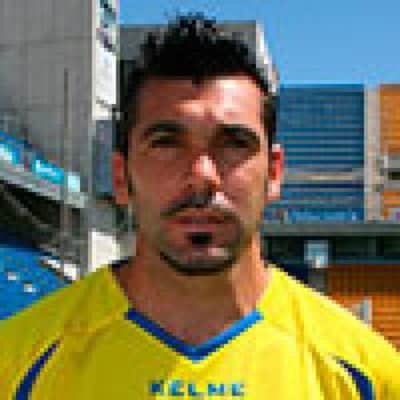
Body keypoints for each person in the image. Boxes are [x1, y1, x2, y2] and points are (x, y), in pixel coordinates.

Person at [0, 14, 399, 400]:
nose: (202, 175)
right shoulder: (16, 363)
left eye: (234, 144)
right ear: (121, 176)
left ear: (274, 173)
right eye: (167, 144)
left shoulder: (369, 376)